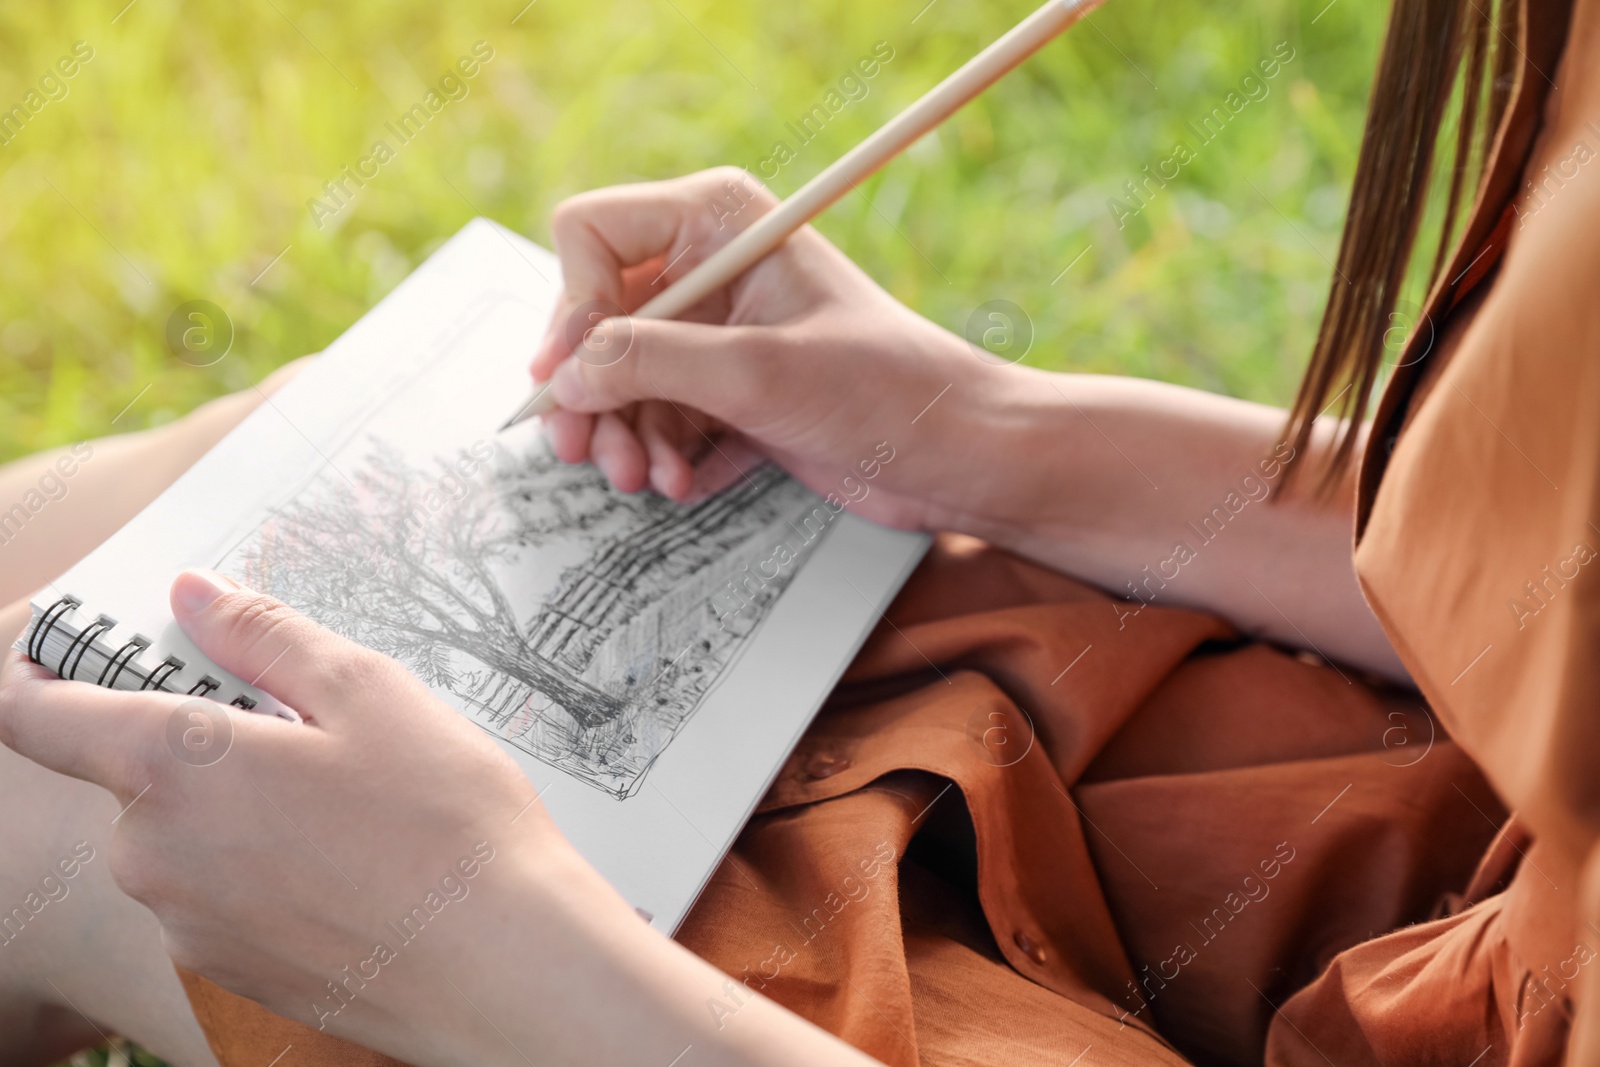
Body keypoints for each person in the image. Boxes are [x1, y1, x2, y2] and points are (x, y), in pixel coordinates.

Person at [1, 0, 1596, 1063]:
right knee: (234, 488)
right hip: (1477, 830)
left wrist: (502, 963)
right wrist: (978, 432)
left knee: (56, 801)